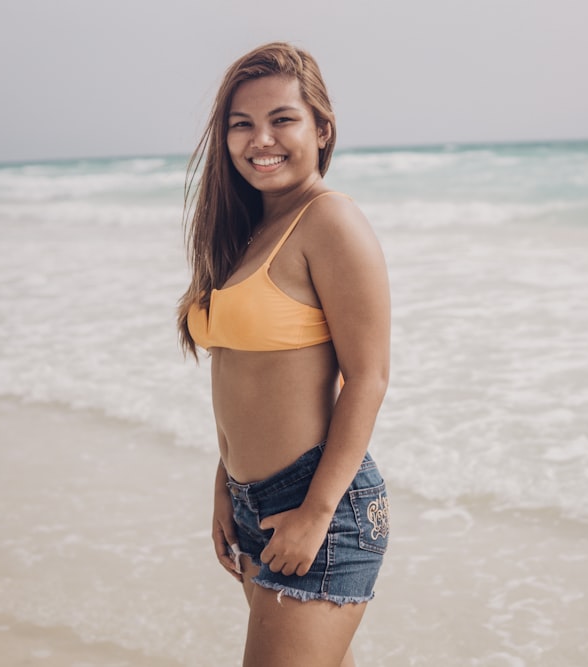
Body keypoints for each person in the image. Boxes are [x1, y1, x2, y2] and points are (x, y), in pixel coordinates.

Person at [177, 42, 391, 667]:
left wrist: (316, 512)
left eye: (282, 119)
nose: (260, 139)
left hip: (319, 505)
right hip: (255, 507)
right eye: (241, 124)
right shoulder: (247, 234)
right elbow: (244, 380)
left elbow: (369, 377)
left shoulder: (330, 220)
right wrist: (224, 486)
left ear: (322, 129)